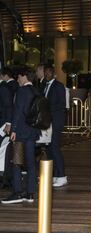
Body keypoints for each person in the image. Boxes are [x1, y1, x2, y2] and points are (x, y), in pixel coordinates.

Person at [1, 67, 40, 204]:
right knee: (30, 163)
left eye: (19, 76)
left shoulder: (22, 91)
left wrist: (14, 130)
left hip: (21, 132)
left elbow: (18, 112)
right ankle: (30, 193)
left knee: (16, 162)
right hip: (32, 131)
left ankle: (17, 192)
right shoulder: (36, 90)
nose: (17, 79)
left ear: (24, 76)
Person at [43, 65, 67, 187]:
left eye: (48, 73)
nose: (46, 75)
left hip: (56, 121)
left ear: (53, 74)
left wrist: (47, 108)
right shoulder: (45, 85)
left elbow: (62, 104)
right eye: (45, 73)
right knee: (49, 148)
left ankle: (61, 175)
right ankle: (55, 174)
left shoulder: (58, 86)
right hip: (48, 121)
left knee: (55, 147)